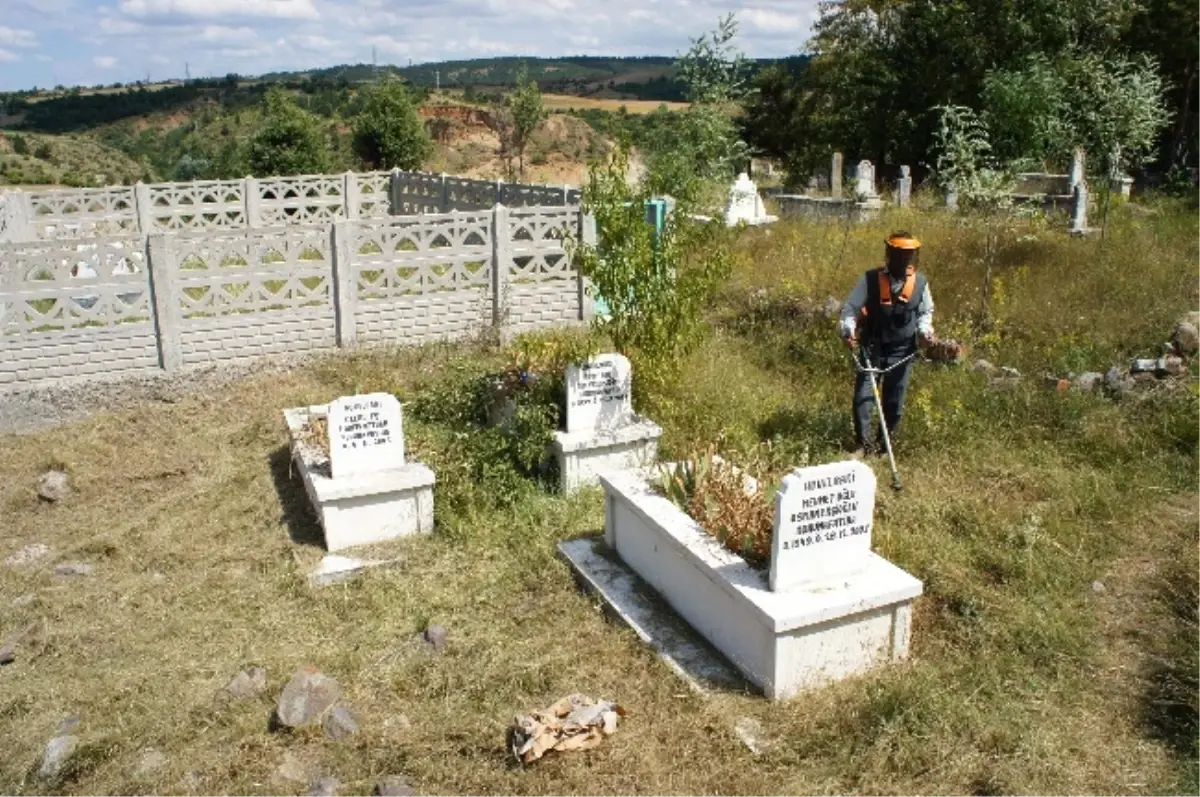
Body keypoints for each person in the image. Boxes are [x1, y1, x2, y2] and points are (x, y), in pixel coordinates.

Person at [838, 231, 937, 455]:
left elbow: (925, 314)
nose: (904, 260)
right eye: (899, 254)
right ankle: (863, 445)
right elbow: (851, 308)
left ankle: (885, 446)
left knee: (895, 399)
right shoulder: (870, 279)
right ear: (889, 254)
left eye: (908, 255)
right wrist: (847, 329)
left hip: (902, 350)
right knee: (863, 396)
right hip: (872, 346)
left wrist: (925, 333)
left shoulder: (920, 284)